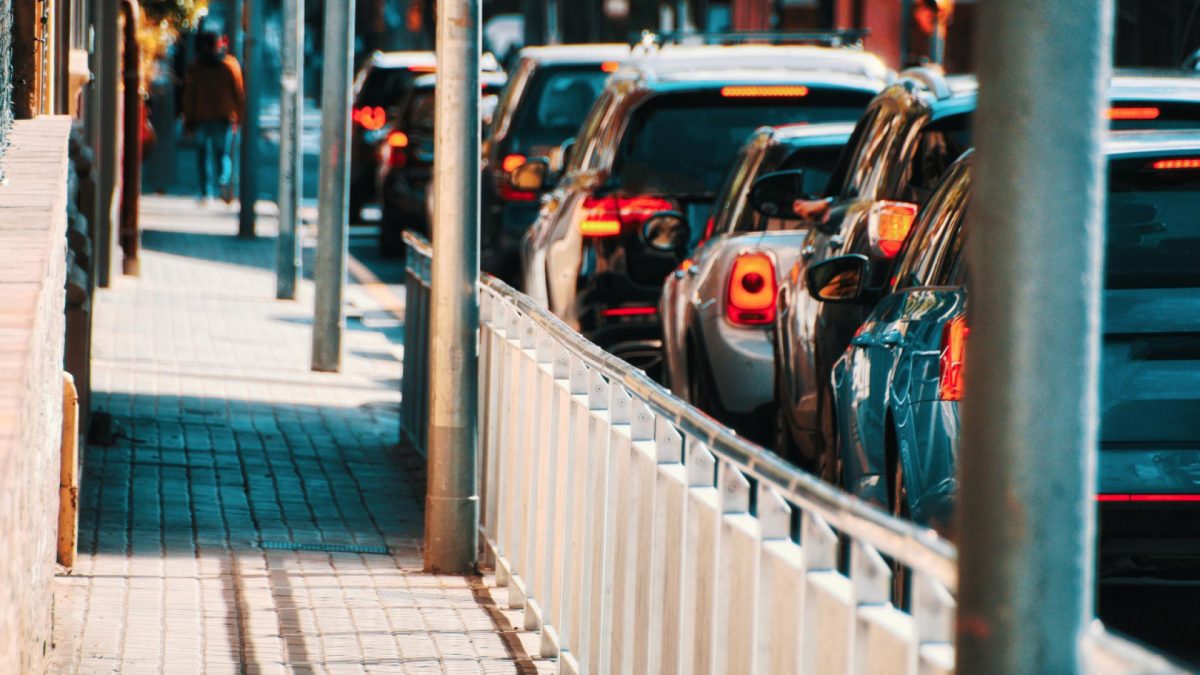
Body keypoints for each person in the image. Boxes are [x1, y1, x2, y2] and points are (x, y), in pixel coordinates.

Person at [182, 32, 244, 204]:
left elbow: (189, 96)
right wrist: (239, 116)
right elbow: (239, 92)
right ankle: (223, 182)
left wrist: (188, 121)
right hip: (224, 116)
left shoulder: (196, 67)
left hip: (202, 116)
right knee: (222, 153)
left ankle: (206, 191)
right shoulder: (230, 65)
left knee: (203, 154)